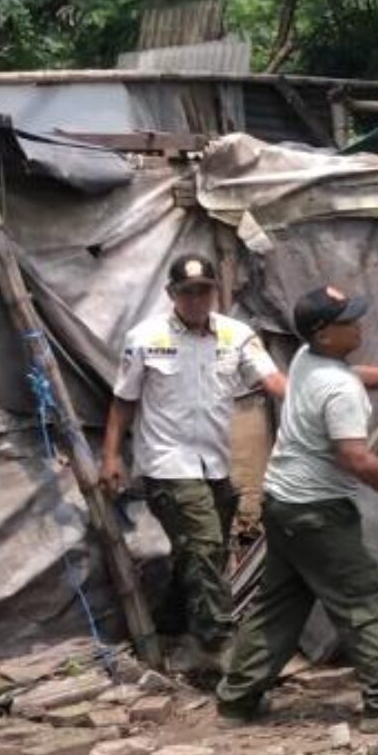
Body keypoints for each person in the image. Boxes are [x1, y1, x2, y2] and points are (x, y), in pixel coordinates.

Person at [214, 286, 378, 731]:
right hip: (316, 512)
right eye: (348, 321)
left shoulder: (309, 360)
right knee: (365, 593)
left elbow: (354, 375)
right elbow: (357, 458)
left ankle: (236, 700)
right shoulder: (337, 387)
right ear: (323, 334)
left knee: (277, 606)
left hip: (282, 503)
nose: (359, 324)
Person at [102, 255, 284, 674]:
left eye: (204, 290)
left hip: (215, 465)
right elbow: (123, 401)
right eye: (187, 291)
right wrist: (110, 456)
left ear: (215, 292)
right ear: (172, 295)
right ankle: (220, 649)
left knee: (205, 554)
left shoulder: (236, 335)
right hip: (167, 463)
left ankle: (170, 630)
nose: (197, 298)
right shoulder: (146, 338)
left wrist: (315, 402)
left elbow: (272, 382)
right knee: (203, 547)